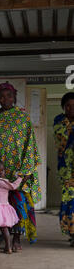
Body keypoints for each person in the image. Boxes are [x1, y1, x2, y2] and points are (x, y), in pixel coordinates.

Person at [0, 82, 41, 251]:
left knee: (18, 206)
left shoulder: (22, 117)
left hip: (17, 172)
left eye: (9, 96)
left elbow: (29, 145)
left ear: (14, 97)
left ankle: (17, 237)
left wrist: (25, 172)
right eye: (1, 96)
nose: (5, 99)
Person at [0, 158, 29, 254]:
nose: (0, 173)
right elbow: (13, 187)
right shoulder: (2, 182)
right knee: (5, 229)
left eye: (2, 170)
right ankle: (8, 248)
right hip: (2, 209)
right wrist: (20, 178)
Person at [53, 92, 74, 246]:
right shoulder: (59, 121)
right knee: (69, 202)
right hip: (66, 170)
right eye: (68, 106)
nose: (71, 109)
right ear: (63, 107)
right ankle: (72, 233)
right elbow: (62, 142)